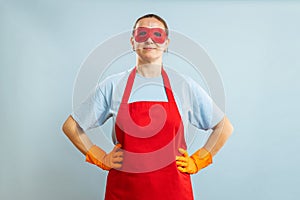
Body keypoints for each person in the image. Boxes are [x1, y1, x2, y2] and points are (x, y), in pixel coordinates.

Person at [62, 14, 233, 200]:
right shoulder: (113, 85)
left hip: (174, 191)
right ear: (132, 41)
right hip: (124, 191)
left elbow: (224, 127)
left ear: (166, 43)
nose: (150, 39)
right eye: (142, 33)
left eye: (157, 34)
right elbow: (71, 126)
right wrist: (100, 157)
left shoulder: (183, 85)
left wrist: (198, 160)